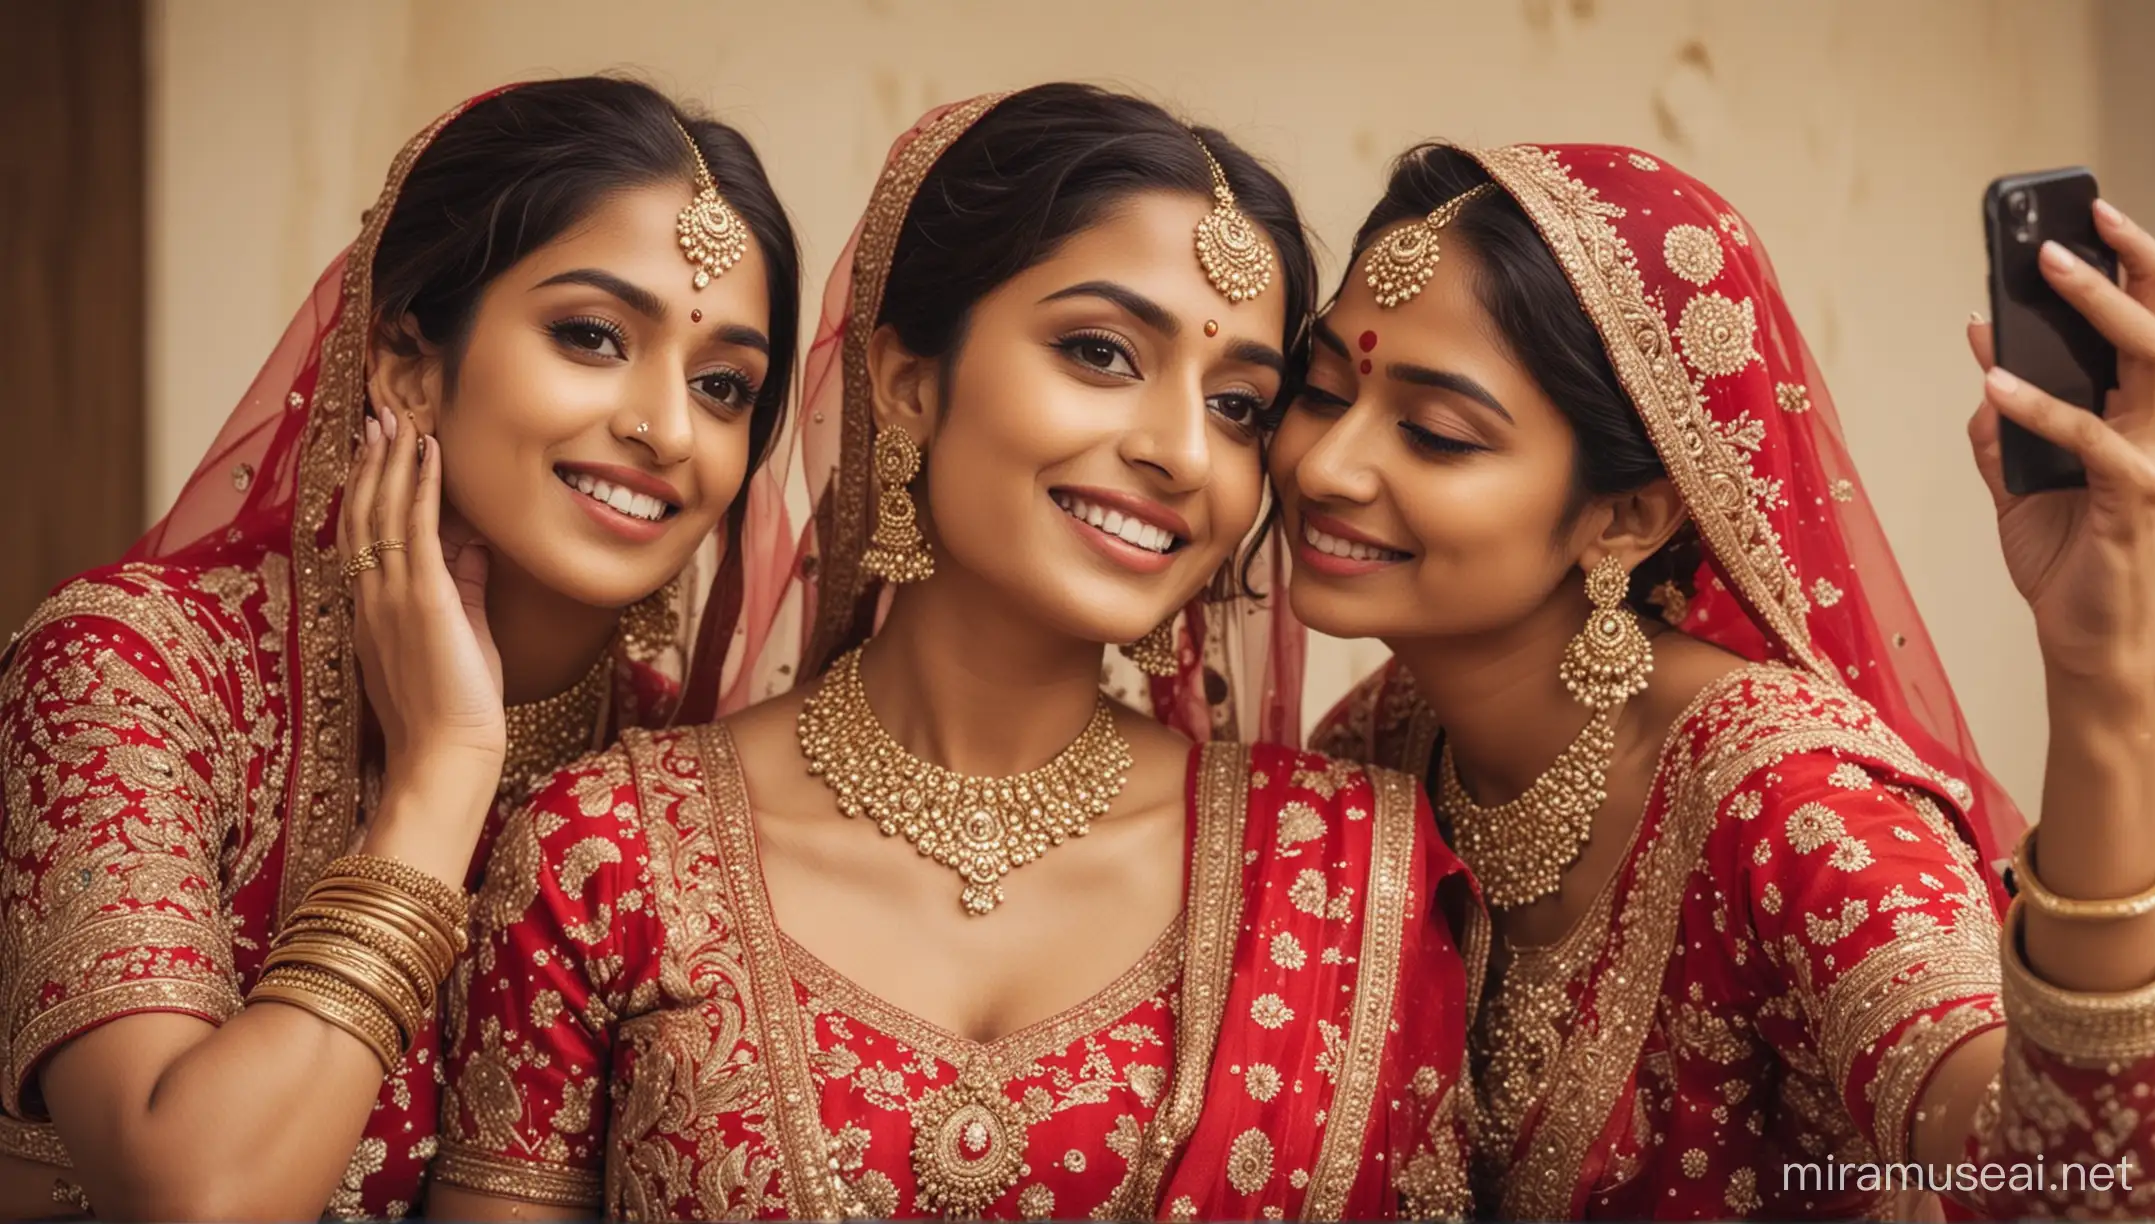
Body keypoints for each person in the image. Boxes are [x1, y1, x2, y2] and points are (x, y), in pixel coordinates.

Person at [428, 85, 1475, 1222]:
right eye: (1102, 352)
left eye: (1238, 407)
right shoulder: (610, 852)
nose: (1181, 452)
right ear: (908, 381)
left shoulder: (1350, 863)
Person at [1283, 142, 2155, 1218]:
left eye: (1434, 433)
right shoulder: (1378, 747)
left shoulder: (1789, 807)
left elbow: (2074, 1182)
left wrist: (2103, 672)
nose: (1323, 467)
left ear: (1626, 518)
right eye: (1322, 389)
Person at [0, 77, 801, 1220]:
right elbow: (193, 1199)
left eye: (724, 385)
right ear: (406, 361)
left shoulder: (681, 766)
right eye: (590, 336)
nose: (668, 429)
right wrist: (441, 776)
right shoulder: (137, 670)